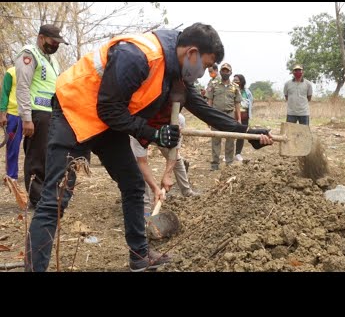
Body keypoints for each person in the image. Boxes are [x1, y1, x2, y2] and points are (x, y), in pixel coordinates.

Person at [26, 23, 273, 272]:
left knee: (133, 185)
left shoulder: (175, 68)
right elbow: (108, 108)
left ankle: (139, 256)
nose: (204, 73)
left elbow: (203, 109)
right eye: (206, 65)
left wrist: (248, 133)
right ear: (192, 53)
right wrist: (154, 134)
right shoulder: (138, 56)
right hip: (75, 112)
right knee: (55, 199)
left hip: (107, 122)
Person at [15, 24, 68, 208]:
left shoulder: (52, 60)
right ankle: (36, 198)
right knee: (36, 156)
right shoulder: (29, 54)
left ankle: (47, 194)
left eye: (58, 42)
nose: (56, 45)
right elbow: (22, 86)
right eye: (53, 41)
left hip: (51, 114)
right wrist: (26, 118)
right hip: (36, 114)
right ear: (41, 38)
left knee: (48, 155)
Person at [130, 113, 199, 218]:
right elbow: (142, 162)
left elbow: (174, 153)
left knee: (176, 160)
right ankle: (146, 205)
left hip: (166, 135)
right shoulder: (136, 124)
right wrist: (155, 188)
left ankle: (187, 191)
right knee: (137, 166)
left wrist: (168, 175)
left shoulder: (177, 120)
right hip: (142, 133)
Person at [206, 62, 242, 170]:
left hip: (230, 115)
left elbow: (237, 103)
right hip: (216, 114)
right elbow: (210, 100)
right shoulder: (213, 84)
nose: (225, 72)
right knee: (216, 139)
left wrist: (239, 118)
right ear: (220, 72)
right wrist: (208, 117)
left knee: (230, 139)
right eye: (223, 70)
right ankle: (215, 164)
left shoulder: (235, 87)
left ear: (230, 73)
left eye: (227, 71)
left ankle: (229, 163)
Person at [0, 67, 28, 205]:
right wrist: (3, 113)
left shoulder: (35, 70)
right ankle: (12, 176)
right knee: (12, 147)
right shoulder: (11, 72)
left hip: (31, 115)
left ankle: (32, 176)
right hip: (13, 115)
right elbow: (4, 93)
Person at [233, 74, 253, 161]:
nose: (235, 81)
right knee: (230, 134)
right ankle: (228, 154)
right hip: (233, 115)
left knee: (241, 135)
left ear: (241, 81)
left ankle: (238, 153)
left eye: (237, 80)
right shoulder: (231, 90)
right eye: (234, 80)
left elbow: (251, 102)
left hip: (244, 116)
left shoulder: (247, 92)